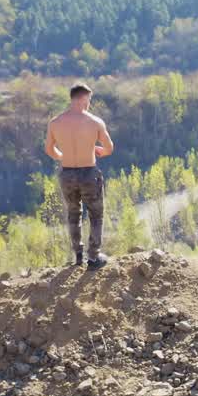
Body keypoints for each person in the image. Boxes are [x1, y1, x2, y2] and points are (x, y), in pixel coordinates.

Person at [45, 83, 114, 269]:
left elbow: (49, 149)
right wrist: (99, 150)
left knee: (73, 213)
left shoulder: (55, 123)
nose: (89, 103)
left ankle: (78, 255)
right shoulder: (95, 122)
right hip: (88, 173)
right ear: (83, 98)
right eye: (89, 99)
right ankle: (93, 257)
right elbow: (109, 148)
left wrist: (63, 156)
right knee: (96, 215)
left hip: (67, 173)